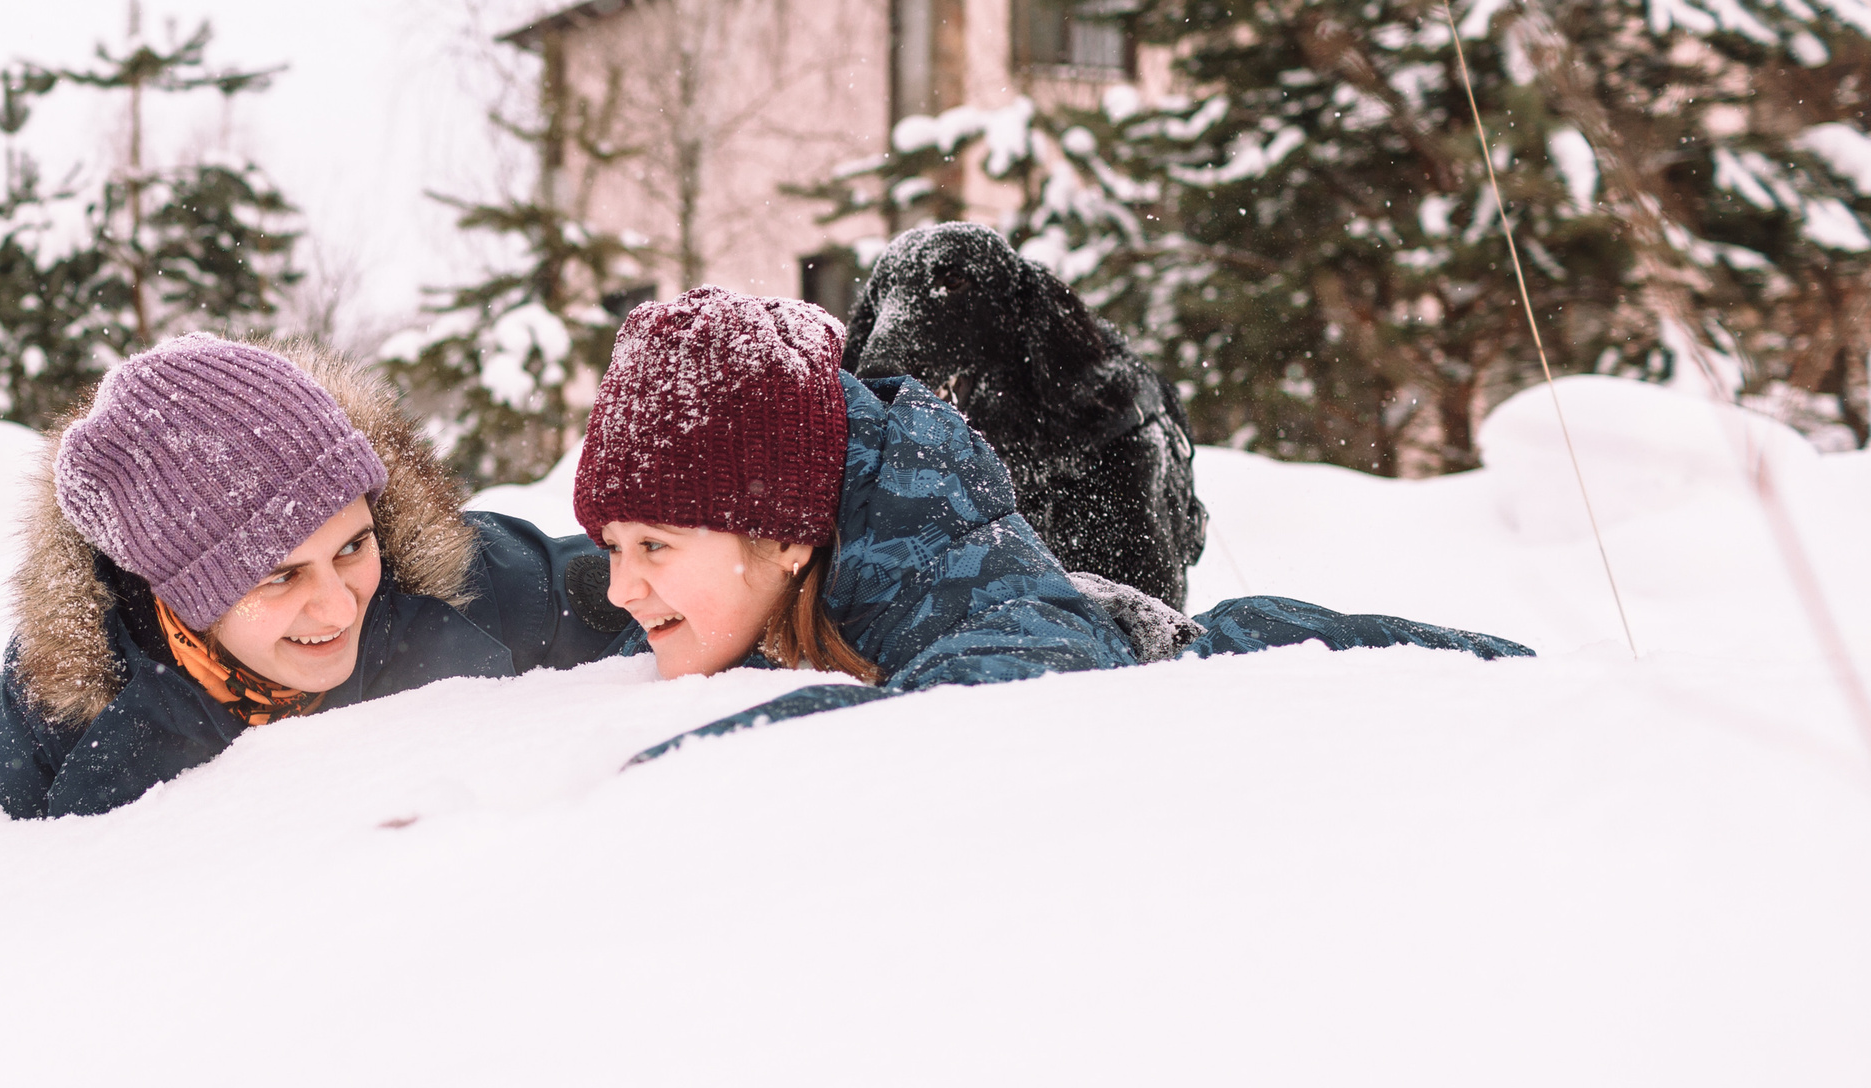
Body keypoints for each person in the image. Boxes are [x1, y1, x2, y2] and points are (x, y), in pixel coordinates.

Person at [574, 287, 1530, 762]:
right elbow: (532, 583)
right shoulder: (762, 583)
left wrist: (642, 785)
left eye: (654, 543)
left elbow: (984, 716)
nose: (622, 586)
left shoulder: (971, 602)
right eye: (613, 546)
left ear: (784, 536)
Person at [0, 336, 612, 818]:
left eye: (353, 547)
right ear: (180, 592)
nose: (336, 608)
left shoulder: (457, 582)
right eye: (279, 576)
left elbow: (668, 598)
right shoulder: (63, 702)